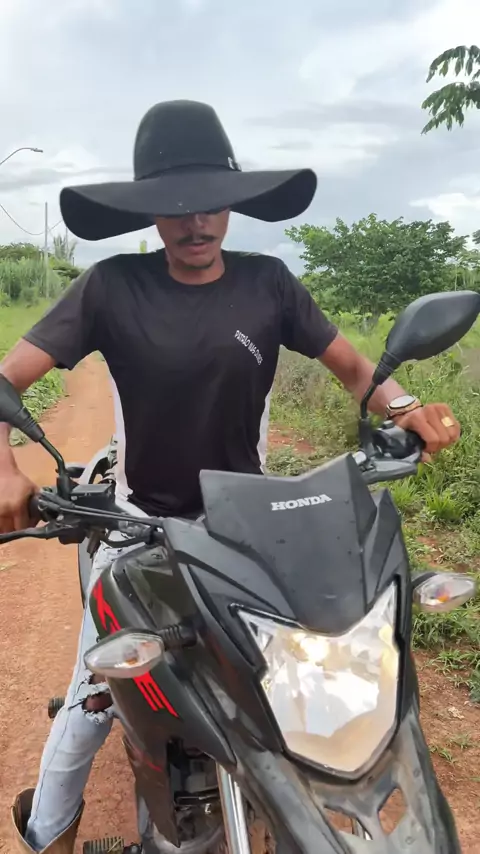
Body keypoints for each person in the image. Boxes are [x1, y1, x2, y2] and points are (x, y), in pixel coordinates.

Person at [1, 100, 460, 853]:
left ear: (232, 204)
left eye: (211, 202)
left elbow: (356, 370)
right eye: (175, 206)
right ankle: (46, 834)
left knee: (303, 679)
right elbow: (7, 380)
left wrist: (406, 408)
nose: (196, 222)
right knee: (93, 701)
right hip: (138, 527)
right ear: (150, 214)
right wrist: (5, 469)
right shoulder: (111, 287)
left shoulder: (269, 283)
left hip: (246, 524)